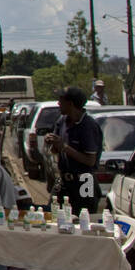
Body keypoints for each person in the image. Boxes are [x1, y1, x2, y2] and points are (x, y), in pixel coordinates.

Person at [45, 86, 103, 214]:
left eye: (61, 100)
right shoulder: (62, 121)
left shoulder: (88, 126)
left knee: (83, 218)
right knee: (52, 214)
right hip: (64, 180)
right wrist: (52, 142)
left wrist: (65, 147)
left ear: (70, 104)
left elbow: (90, 161)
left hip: (84, 181)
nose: (58, 104)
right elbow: (56, 150)